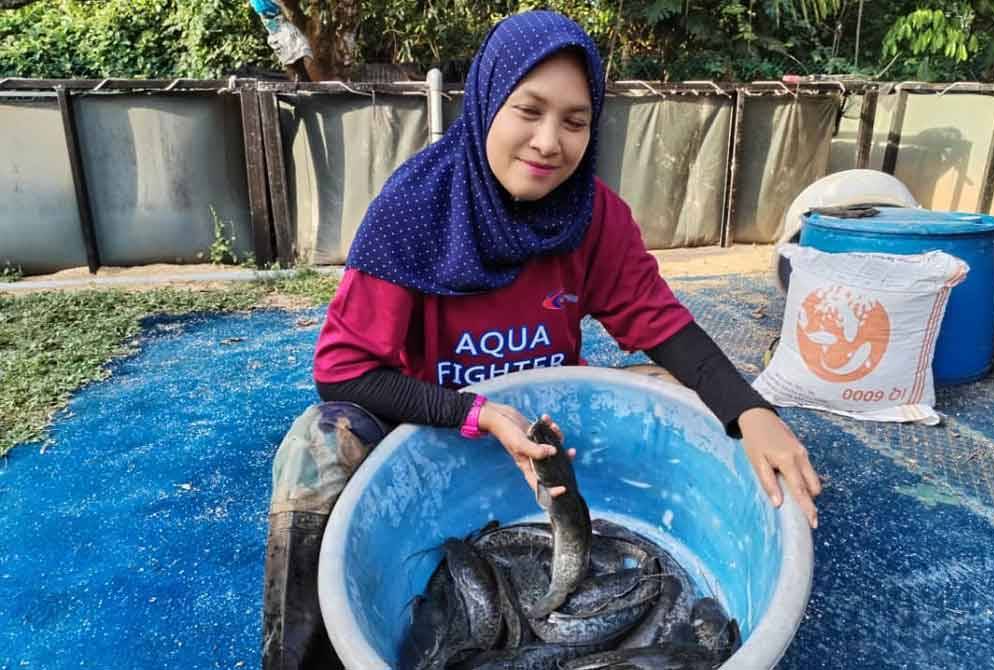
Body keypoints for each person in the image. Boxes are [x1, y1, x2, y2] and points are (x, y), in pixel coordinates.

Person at [261, 10, 822, 669]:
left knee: (705, 408)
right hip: (433, 426)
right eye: (527, 110)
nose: (549, 142)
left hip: (548, 430)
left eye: (575, 121)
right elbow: (342, 373)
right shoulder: (413, 211)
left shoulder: (593, 213)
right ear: (487, 102)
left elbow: (660, 322)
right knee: (317, 445)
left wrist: (750, 411)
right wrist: (473, 412)